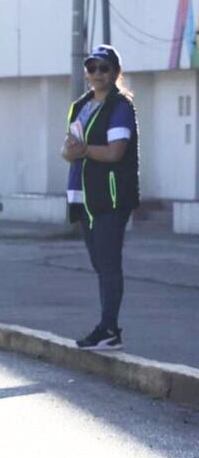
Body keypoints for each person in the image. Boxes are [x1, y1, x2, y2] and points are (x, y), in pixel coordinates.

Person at [61, 44, 140, 351]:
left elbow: (115, 151)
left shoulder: (120, 107)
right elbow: (68, 150)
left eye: (103, 68)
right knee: (99, 263)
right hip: (84, 198)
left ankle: (109, 330)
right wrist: (70, 152)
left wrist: (83, 151)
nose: (97, 74)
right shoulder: (80, 105)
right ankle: (106, 326)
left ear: (115, 73)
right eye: (92, 68)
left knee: (108, 264)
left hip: (110, 197)